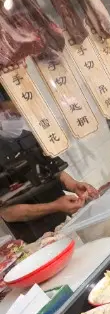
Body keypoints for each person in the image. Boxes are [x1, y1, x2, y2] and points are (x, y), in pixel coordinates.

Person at [0, 99, 98, 242]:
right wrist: (55, 206)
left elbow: (54, 170)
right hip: (35, 236)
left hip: (66, 220)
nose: (16, 120)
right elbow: (7, 213)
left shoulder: (28, 137)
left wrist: (74, 185)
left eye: (18, 115)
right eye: (11, 115)